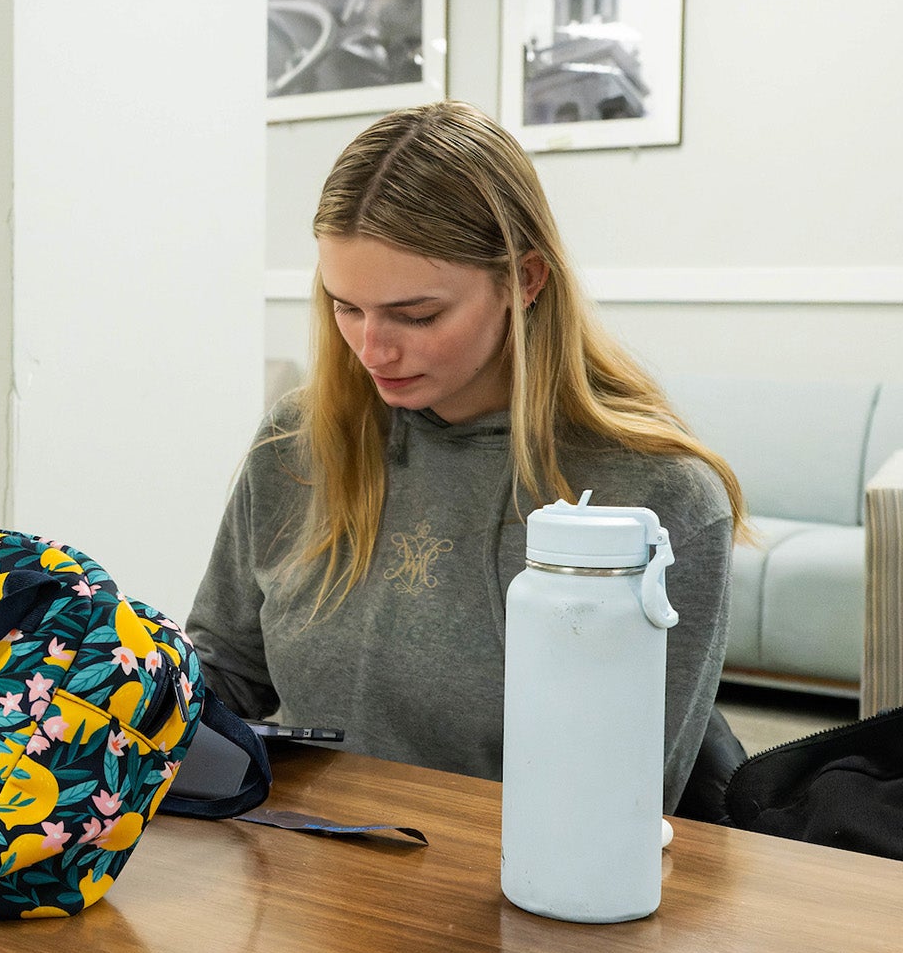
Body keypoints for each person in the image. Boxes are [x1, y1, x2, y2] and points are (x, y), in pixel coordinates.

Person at [185, 100, 745, 812]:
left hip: (519, 894)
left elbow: (618, 807)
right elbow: (224, 674)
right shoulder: (294, 442)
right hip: (298, 874)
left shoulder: (661, 500)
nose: (372, 349)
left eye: (417, 315)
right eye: (346, 305)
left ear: (527, 279)